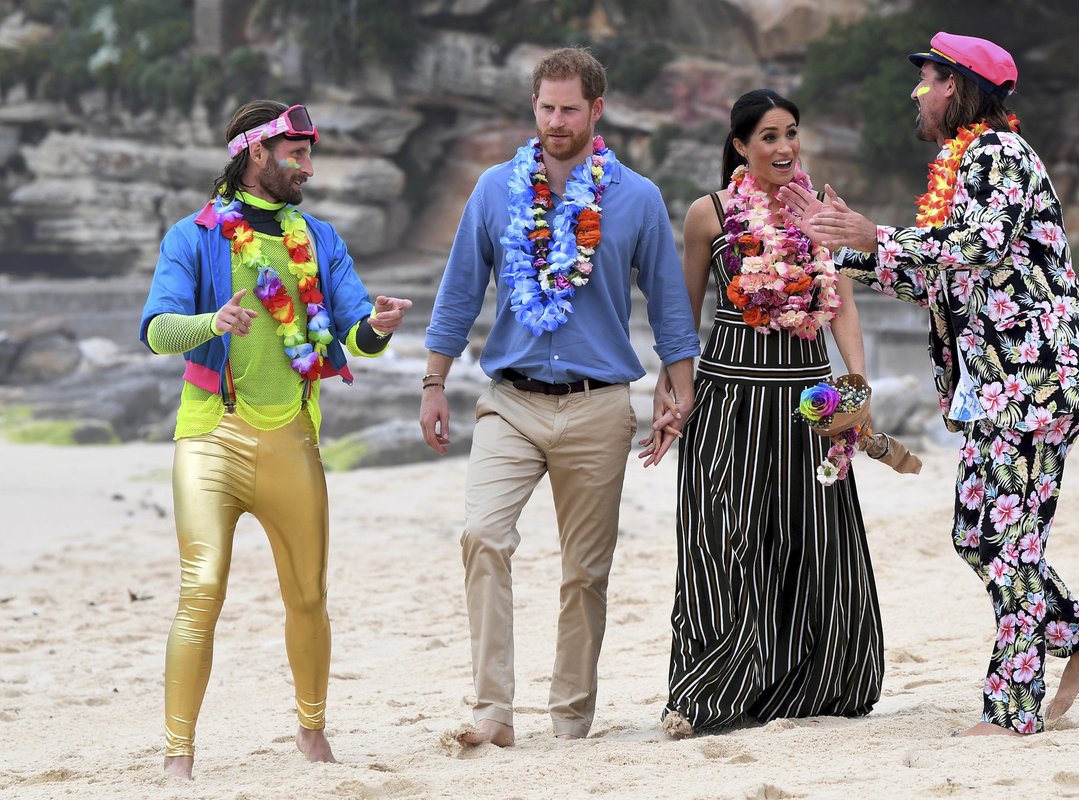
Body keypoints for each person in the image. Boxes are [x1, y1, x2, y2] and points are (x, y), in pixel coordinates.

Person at [781, 32, 1079, 736]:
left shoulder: (999, 154)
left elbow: (985, 244)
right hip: (997, 385)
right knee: (978, 537)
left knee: (1011, 544)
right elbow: (937, 273)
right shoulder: (962, 162)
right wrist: (841, 245)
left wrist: (875, 234)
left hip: (1037, 376)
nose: (917, 92)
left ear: (958, 87)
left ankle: (1011, 713)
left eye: (927, 79)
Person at [419, 46, 700, 746]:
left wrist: (681, 393)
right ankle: (492, 710)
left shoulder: (635, 197)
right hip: (509, 399)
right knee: (482, 535)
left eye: (569, 108)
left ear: (596, 110)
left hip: (600, 403)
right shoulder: (493, 190)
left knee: (585, 570)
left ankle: (571, 719)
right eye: (545, 107)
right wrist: (432, 381)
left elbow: (668, 305)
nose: (555, 121)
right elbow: (458, 293)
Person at [139, 100, 412, 777]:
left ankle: (313, 734)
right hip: (211, 437)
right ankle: (178, 757)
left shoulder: (317, 238)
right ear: (256, 152)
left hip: (293, 439)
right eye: (297, 153)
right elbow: (154, 330)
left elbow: (352, 334)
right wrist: (212, 321)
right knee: (200, 590)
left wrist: (378, 325)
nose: (308, 167)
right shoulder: (193, 235)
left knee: (310, 595)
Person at [652, 89, 883, 735]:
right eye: (769, 137)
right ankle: (710, 693)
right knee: (723, 542)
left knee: (810, 541)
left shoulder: (820, 213)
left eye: (791, 134)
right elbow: (681, 316)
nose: (784, 147)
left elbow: (840, 305)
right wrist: (670, 391)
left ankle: (808, 686)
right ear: (740, 146)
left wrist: (857, 387)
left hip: (810, 400)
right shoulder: (710, 214)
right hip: (727, 400)